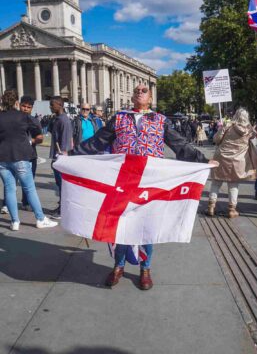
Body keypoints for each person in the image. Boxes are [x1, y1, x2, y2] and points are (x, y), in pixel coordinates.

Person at [72, 84, 217, 290]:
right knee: (120, 225)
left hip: (150, 182)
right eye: (137, 91)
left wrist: (203, 161)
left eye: (144, 91)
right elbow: (98, 141)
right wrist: (72, 154)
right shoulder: (119, 118)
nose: (140, 92)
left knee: (147, 226)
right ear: (132, 97)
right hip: (123, 181)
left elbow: (180, 145)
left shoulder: (160, 120)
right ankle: (118, 266)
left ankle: (145, 268)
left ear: (150, 98)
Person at [0, 90, 58, 230]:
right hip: (20, 156)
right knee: (29, 188)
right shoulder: (23, 117)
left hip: (3, 158)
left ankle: (15, 221)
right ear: (16, 103)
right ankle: (40, 218)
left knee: (9, 189)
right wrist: (30, 141)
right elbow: (38, 134)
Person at [207, 108, 257, 218]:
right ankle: (231, 209)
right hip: (237, 161)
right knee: (233, 184)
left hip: (221, 157)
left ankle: (211, 206)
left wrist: (221, 128)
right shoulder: (249, 130)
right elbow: (255, 136)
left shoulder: (228, 126)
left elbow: (216, 139)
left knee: (216, 182)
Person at [49, 96, 73, 220]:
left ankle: (63, 209)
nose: (50, 107)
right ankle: (62, 206)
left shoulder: (64, 120)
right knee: (60, 184)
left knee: (62, 185)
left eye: (52, 105)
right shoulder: (56, 119)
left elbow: (65, 142)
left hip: (60, 157)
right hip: (56, 156)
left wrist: (60, 158)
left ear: (59, 105)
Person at [19, 96, 44, 211]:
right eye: (23, 106)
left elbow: (40, 138)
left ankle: (26, 201)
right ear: (19, 105)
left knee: (29, 181)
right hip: (15, 155)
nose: (25, 109)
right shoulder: (14, 119)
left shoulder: (34, 121)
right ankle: (6, 204)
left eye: (28, 107)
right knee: (11, 181)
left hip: (30, 155)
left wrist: (31, 141)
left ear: (32, 108)